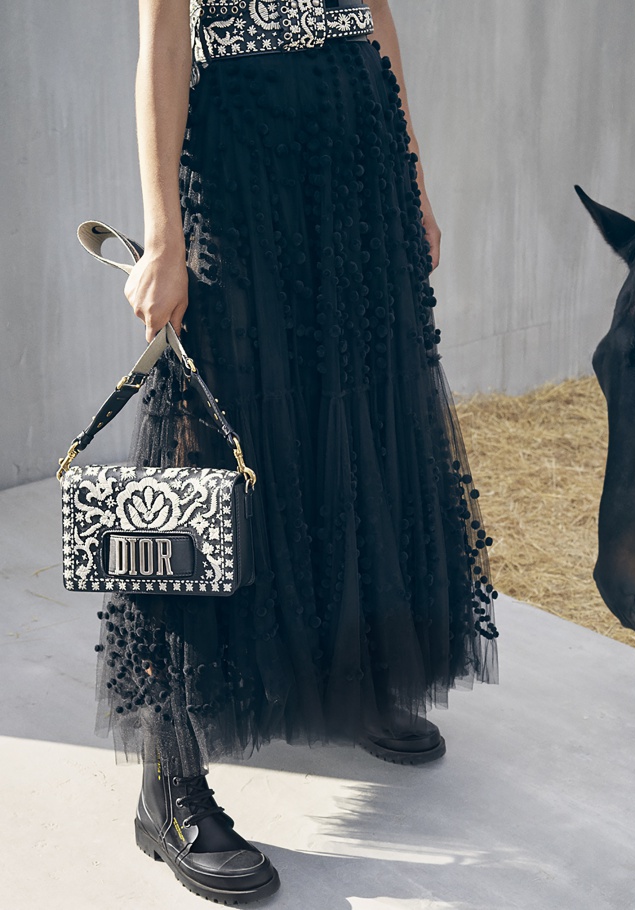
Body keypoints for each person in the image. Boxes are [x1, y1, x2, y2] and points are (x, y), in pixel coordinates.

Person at [99, 0, 499, 903]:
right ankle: (169, 781)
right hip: (245, 147)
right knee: (208, 439)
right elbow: (162, 41)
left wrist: (413, 180)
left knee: (356, 418)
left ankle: (352, 677)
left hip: (356, 141)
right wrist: (163, 237)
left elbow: (374, 13)